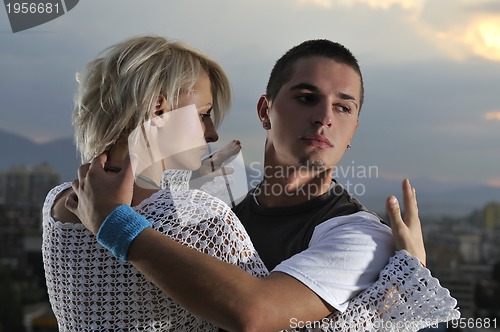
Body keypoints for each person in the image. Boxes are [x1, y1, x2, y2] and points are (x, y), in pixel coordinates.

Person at [65, 39, 459, 331]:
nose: (324, 117)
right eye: (307, 98)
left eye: (343, 107)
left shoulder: (360, 236)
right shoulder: (217, 205)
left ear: (354, 128)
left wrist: (113, 224)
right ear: (264, 111)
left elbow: (256, 315)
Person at [42, 35, 268, 331]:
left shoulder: (57, 205)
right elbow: (271, 317)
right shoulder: (201, 217)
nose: (212, 134)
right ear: (158, 110)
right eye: (203, 114)